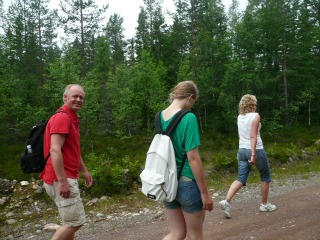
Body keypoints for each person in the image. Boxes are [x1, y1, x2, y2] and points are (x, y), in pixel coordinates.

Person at [161, 81, 214, 240]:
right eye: (194, 102)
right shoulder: (188, 117)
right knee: (195, 235)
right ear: (190, 97)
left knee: (177, 234)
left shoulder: (160, 116)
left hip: (167, 183)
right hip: (187, 183)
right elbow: (193, 158)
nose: (192, 106)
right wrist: (205, 194)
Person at [40, 84, 93, 240]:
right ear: (65, 97)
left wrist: (84, 170)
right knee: (75, 223)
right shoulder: (62, 117)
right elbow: (55, 150)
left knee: (69, 222)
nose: (78, 99)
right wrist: (63, 181)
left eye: (81, 97)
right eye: (74, 96)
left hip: (63, 176)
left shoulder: (72, 119)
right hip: (60, 178)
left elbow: (73, 150)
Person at [219, 94, 276, 219]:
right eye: (255, 104)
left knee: (240, 178)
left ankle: (226, 201)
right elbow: (253, 136)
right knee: (265, 177)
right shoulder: (255, 116)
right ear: (253, 105)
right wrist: (254, 155)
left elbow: (241, 135)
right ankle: (264, 205)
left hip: (242, 150)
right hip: (255, 149)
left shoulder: (240, 117)